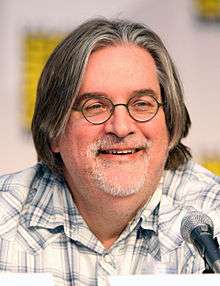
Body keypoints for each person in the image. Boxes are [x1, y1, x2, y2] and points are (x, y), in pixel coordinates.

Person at [0, 18, 220, 285]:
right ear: (54, 131)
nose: (121, 127)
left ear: (169, 123)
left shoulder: (212, 218)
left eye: (141, 104)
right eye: (95, 106)